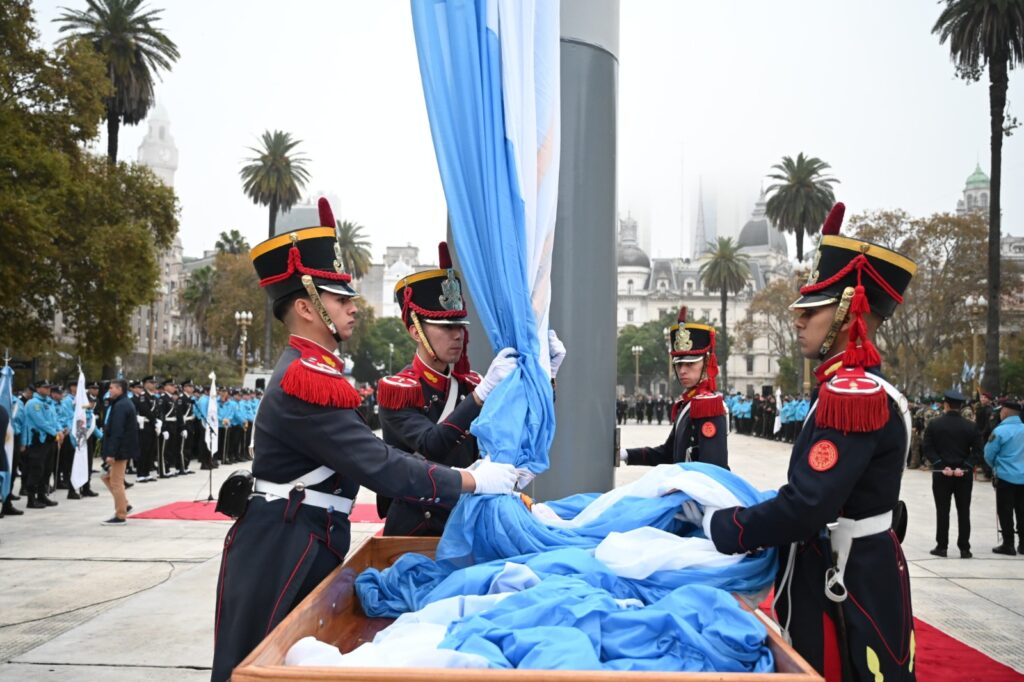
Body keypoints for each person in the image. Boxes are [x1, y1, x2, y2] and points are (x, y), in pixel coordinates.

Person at [213, 199, 521, 681]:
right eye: (340, 299)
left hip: (307, 535)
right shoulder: (304, 379)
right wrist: (470, 481)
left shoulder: (314, 370)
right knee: (262, 664)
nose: (354, 307)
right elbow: (378, 463)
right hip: (283, 542)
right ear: (305, 306)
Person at [704, 202, 918, 681]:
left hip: (846, 574)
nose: (797, 321)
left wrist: (726, 526)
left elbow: (807, 506)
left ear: (847, 312)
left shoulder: (853, 394)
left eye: (811, 311)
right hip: (849, 563)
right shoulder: (845, 387)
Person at [619, 306, 728, 469]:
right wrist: (625, 454)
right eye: (678, 364)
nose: (682, 370)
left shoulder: (708, 406)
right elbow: (668, 454)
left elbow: (712, 470)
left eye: (690, 364)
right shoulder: (689, 403)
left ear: (706, 363)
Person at [923, 389, 982, 558]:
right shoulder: (971, 426)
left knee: (943, 510)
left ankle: (942, 546)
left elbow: (928, 447)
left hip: (942, 474)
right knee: (964, 511)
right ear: (960, 406)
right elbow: (978, 451)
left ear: (946, 404)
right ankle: (964, 548)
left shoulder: (934, 424)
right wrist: (965, 466)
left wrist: (940, 465)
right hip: (963, 475)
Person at [985, 398, 1024, 555]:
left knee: (1005, 511)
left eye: (1001, 411)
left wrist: (996, 466)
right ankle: (1023, 544)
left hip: (1005, 477)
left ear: (1006, 412)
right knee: (1022, 511)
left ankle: (1008, 544)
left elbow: (989, 454)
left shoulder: (999, 431)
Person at [100, 379, 137, 525]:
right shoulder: (121, 403)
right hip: (121, 448)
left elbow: (117, 431)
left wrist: (111, 453)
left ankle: (121, 515)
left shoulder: (121, 405)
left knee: (116, 482)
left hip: (120, 450)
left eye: (112, 388)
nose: (110, 390)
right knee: (107, 477)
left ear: (120, 389)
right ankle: (125, 504)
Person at [22, 383, 60, 508]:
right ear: (38, 389)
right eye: (45, 387)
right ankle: (31, 499)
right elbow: (41, 422)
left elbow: (55, 420)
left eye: (49, 387)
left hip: (49, 440)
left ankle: (42, 496)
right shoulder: (33, 403)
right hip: (37, 441)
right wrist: (55, 432)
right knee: (36, 469)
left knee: (47, 469)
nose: (48, 389)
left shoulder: (49, 403)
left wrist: (59, 430)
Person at [133, 376, 159, 482]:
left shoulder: (153, 397)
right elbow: (146, 411)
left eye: (154, 382)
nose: (153, 384)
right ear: (145, 384)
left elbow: (157, 411)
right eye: (151, 382)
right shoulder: (143, 397)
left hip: (152, 425)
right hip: (146, 426)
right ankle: (140, 474)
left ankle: (147, 472)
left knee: (151, 450)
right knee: (144, 450)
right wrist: (155, 422)